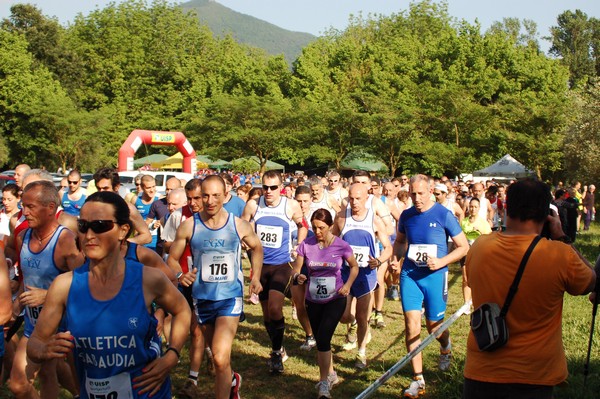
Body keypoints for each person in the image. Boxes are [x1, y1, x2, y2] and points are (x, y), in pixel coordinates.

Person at [26, 191, 191, 398]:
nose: (89, 235)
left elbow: (182, 310)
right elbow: (35, 342)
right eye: (83, 226)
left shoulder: (148, 279)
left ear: (123, 231)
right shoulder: (65, 286)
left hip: (148, 392)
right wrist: (42, 351)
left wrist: (172, 355)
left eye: (101, 225)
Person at [463, 178, 598, 399]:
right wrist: (562, 236)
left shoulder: (480, 247)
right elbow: (592, 281)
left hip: (482, 369)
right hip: (534, 374)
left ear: (506, 207)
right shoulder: (559, 254)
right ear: (547, 213)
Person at [168, 175, 263, 399]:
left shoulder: (238, 225)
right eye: (206, 196)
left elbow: (257, 248)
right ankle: (232, 381)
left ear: (225, 196)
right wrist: (181, 275)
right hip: (202, 298)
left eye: (216, 196)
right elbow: (171, 259)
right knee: (220, 359)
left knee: (220, 357)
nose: (210, 201)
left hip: (230, 297)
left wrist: (256, 276)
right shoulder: (189, 226)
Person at [391, 174, 469, 398]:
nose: (416, 198)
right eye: (413, 193)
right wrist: (396, 259)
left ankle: (445, 347)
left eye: (421, 193)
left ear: (431, 190)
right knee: (411, 325)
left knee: (434, 328)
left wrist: (442, 262)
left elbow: (463, 247)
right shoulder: (407, 215)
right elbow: (399, 241)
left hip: (435, 276)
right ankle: (418, 380)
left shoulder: (444, 214)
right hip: (411, 275)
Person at [10, 180, 85, 399]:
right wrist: (17, 302)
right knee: (19, 385)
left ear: (50, 208)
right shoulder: (23, 236)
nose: (24, 212)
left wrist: (47, 296)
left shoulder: (65, 240)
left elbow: (85, 286)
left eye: (30, 206)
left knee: (80, 385)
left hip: (66, 329)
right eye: (23, 205)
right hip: (34, 326)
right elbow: (29, 277)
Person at [241, 170, 307, 373]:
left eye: (273, 187)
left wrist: (299, 245)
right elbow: (242, 224)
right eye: (265, 187)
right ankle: (279, 348)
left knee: (275, 308)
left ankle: (276, 354)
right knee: (267, 316)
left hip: (282, 265)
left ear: (281, 188)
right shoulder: (254, 205)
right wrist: (244, 240)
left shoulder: (290, 205)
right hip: (260, 266)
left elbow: (302, 225)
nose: (268, 191)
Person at [293, 209, 358, 399]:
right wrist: (299, 276)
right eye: (314, 227)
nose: (317, 231)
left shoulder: (341, 245)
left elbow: (354, 267)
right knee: (324, 341)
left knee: (322, 337)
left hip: (335, 298)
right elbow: (295, 270)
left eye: (321, 227)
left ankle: (323, 384)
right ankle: (332, 375)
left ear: (330, 226)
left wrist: (347, 285)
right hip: (313, 300)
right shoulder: (306, 245)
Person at [333, 183, 392, 369]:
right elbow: (330, 239)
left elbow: (388, 247)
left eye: (358, 198)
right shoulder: (342, 218)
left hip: (366, 275)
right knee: (345, 316)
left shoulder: (374, 221)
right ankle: (353, 329)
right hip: (346, 274)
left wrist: (380, 260)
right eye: (351, 198)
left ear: (367, 198)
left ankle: (361, 353)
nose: (354, 202)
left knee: (362, 316)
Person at [163, 179, 207, 395]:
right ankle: (172, 357)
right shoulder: (178, 216)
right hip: (183, 279)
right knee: (171, 319)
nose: (194, 203)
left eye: (197, 198)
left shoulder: (215, 216)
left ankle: (193, 378)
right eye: (190, 199)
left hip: (206, 282)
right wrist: (180, 274)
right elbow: (167, 247)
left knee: (197, 329)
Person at [93, 167, 152, 245]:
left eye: (105, 188)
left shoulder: (128, 209)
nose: (101, 192)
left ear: (116, 187)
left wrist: (121, 244)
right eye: (99, 188)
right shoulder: (93, 208)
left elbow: (146, 237)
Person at [460, 198, 492, 305]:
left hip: (478, 253)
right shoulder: (464, 221)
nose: (473, 209)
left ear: (479, 208)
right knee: (465, 278)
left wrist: (480, 231)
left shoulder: (483, 223)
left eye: (475, 207)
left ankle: (476, 300)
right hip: (465, 252)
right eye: (471, 207)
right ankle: (466, 304)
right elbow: (460, 237)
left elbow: (489, 238)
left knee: (477, 278)